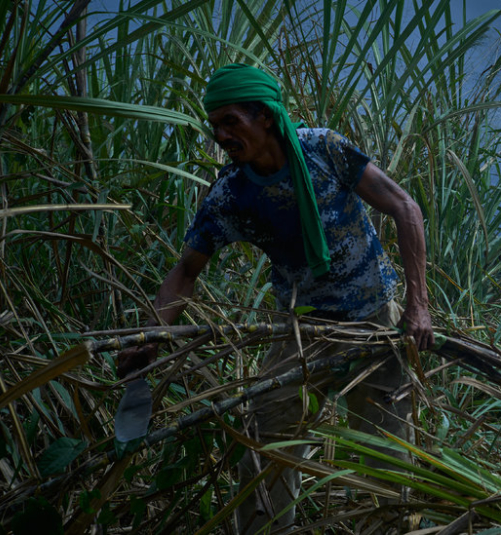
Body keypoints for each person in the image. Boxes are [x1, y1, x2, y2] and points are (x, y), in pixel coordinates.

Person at [116, 63, 433, 533]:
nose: (221, 135)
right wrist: (152, 337)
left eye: (231, 121)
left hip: (375, 322)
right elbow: (185, 272)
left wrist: (418, 305)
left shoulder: (324, 149)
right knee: (264, 453)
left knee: (388, 461)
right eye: (215, 124)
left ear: (264, 116)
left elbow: (405, 207)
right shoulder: (231, 195)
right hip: (301, 332)